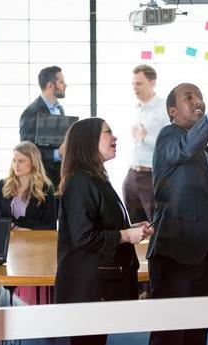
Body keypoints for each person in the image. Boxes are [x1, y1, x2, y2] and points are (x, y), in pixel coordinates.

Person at [147, 79, 208, 345]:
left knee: (198, 331)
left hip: (202, 253)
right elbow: (187, 147)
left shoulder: (200, 147)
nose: (198, 101)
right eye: (189, 97)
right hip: (175, 251)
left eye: (200, 96)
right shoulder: (169, 137)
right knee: (170, 333)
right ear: (173, 111)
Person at [55, 118, 154, 345]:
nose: (115, 137)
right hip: (87, 287)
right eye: (108, 132)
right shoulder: (81, 181)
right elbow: (84, 236)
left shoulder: (96, 177)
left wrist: (131, 229)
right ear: (89, 141)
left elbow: (102, 225)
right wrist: (126, 235)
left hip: (98, 285)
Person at [122, 65, 169, 224]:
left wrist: (145, 138)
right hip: (132, 175)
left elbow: (170, 147)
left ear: (152, 83)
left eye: (139, 83)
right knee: (136, 228)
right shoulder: (136, 109)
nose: (135, 88)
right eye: (133, 84)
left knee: (156, 226)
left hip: (152, 176)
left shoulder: (164, 109)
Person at [19, 65, 67, 187]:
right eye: (61, 82)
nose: (65, 85)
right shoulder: (30, 113)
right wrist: (57, 154)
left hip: (60, 178)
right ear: (50, 85)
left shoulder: (59, 109)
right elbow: (27, 152)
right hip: (41, 181)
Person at [0, 141, 56, 230]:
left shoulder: (45, 188)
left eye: (21, 161)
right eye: (14, 161)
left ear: (33, 163)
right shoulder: (2, 185)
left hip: (33, 241)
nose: (16, 165)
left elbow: (51, 225)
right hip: (7, 240)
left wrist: (28, 228)